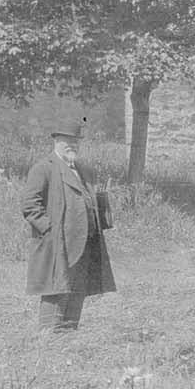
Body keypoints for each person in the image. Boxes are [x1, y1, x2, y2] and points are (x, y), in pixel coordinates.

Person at [19, 126, 117, 332]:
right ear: (56, 141)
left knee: (78, 288)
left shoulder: (85, 171)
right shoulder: (44, 168)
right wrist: (50, 231)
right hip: (58, 243)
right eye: (67, 141)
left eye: (76, 141)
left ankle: (68, 336)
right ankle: (48, 337)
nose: (72, 145)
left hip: (86, 242)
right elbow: (30, 206)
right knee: (57, 287)